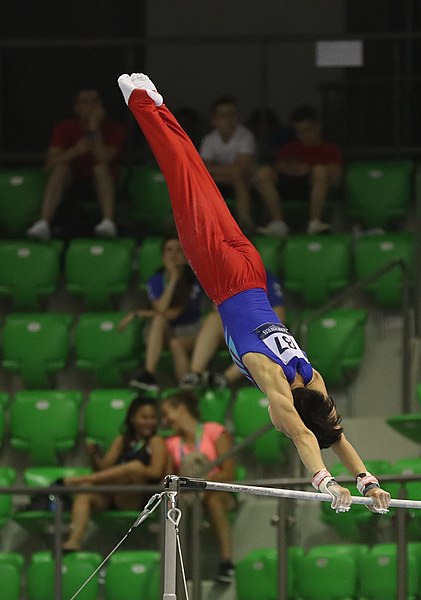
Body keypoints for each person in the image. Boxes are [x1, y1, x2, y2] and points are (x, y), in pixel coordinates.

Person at [117, 72, 390, 516]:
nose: (277, 423)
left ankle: (156, 104)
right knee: (183, 181)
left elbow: (334, 433)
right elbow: (306, 435)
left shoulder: (313, 378)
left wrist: (368, 482)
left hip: (252, 269)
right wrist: (325, 483)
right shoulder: (272, 377)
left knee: (199, 179)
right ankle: (143, 104)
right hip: (224, 278)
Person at [62, 395, 167, 551]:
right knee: (85, 490)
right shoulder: (122, 440)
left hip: (136, 497)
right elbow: (105, 469)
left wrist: (131, 470)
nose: (149, 422)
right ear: (132, 419)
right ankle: (73, 541)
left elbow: (155, 471)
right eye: (144, 417)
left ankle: (78, 480)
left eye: (152, 418)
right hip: (112, 494)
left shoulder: (156, 441)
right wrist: (94, 455)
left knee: (135, 467)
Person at [27, 87, 125, 241]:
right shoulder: (64, 128)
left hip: (103, 183)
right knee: (61, 169)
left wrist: (94, 128)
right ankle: (43, 223)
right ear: (76, 108)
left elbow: (104, 157)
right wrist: (75, 151)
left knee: (100, 168)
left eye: (95, 101)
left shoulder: (114, 128)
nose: (91, 106)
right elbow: (50, 163)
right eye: (85, 102)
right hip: (72, 184)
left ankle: (108, 221)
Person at [161, 389, 237, 583]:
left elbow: (228, 472)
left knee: (214, 501)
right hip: (187, 495)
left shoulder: (214, 431)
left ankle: (226, 561)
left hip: (216, 491)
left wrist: (203, 484)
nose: (165, 421)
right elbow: (168, 479)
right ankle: (175, 566)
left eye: (166, 413)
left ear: (181, 409)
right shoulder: (170, 443)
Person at [125, 237, 207, 393]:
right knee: (159, 319)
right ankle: (149, 375)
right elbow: (161, 309)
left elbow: (174, 314)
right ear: (163, 255)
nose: (173, 255)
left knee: (175, 342)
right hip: (163, 331)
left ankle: (185, 390)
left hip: (191, 329)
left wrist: (138, 313)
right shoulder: (156, 280)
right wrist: (173, 280)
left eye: (179, 250)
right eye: (169, 250)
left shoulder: (194, 280)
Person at [180, 269, 286, 390]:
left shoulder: (263, 276)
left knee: (263, 340)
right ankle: (196, 374)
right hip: (233, 330)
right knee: (213, 319)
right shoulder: (224, 277)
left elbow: (279, 316)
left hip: (256, 332)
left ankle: (222, 379)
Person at [255, 105, 343, 236]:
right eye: (299, 132)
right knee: (263, 172)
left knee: (320, 171)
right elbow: (277, 167)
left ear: (317, 127)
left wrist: (310, 169)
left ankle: (315, 222)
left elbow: (336, 176)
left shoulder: (329, 149)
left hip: (311, 188)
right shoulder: (290, 148)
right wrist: (287, 168)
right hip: (287, 187)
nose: (303, 136)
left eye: (307, 131)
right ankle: (277, 223)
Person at [200, 95, 256, 234]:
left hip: (246, 180)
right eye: (224, 116)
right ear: (215, 120)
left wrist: (215, 170)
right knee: (200, 180)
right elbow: (202, 169)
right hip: (219, 181)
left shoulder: (245, 136)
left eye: (233, 115)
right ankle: (204, 224)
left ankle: (244, 222)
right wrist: (229, 171)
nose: (229, 120)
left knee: (239, 178)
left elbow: (241, 168)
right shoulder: (209, 139)